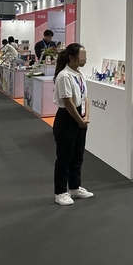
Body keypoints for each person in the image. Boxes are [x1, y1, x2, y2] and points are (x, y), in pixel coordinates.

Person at [52, 43, 93, 206]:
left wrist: (86, 116)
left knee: (78, 155)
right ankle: (60, 192)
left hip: (80, 117)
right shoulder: (64, 76)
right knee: (64, 157)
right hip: (67, 119)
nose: (85, 59)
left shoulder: (79, 74)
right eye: (82, 56)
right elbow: (68, 102)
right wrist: (80, 121)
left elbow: (86, 97)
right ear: (71, 57)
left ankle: (75, 187)